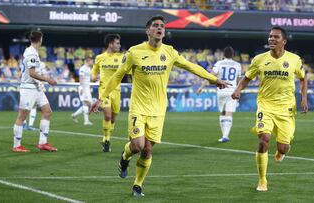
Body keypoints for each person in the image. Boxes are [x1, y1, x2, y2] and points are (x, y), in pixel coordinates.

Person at [91, 15, 230, 197]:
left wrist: (214, 79)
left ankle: (137, 185)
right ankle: (124, 157)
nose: (159, 28)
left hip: (158, 110)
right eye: (155, 25)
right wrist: (101, 98)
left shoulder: (170, 52)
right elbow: (117, 76)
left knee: (148, 150)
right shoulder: (134, 52)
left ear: (164, 31)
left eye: (162, 26)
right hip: (139, 108)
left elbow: (191, 66)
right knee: (138, 145)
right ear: (148, 31)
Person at [232, 26, 308, 192]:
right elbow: (246, 78)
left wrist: (303, 98)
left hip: (286, 108)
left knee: (283, 147)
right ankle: (262, 180)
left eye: (276, 37)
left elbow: (303, 78)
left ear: (284, 41)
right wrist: (238, 90)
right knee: (263, 139)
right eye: (270, 37)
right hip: (265, 105)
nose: (272, 39)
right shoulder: (259, 59)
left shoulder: (294, 59)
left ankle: (281, 153)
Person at [12, 31, 58, 152]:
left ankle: (43, 143)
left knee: (47, 111)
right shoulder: (31, 52)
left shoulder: (33, 51)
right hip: (28, 88)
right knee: (22, 116)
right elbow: (32, 73)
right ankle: (16, 145)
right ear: (40, 39)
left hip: (37, 88)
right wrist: (48, 79)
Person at [197, 46, 242, 143]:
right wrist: (239, 91)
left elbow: (210, 76)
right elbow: (239, 80)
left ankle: (223, 135)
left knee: (222, 113)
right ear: (233, 54)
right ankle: (226, 135)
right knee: (229, 113)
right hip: (232, 91)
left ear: (223, 54)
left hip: (221, 90)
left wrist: (201, 87)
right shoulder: (238, 65)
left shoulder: (219, 63)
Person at [91, 34, 124, 152]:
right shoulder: (100, 57)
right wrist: (93, 76)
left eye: (119, 43)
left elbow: (128, 70)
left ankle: (106, 137)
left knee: (114, 119)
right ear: (110, 44)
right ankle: (106, 140)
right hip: (103, 90)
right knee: (108, 116)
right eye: (117, 43)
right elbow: (94, 70)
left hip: (117, 91)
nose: (119, 46)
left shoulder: (122, 57)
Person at [72, 57, 94, 125]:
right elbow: (81, 79)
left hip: (87, 87)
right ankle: (86, 121)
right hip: (83, 87)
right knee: (86, 103)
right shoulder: (82, 68)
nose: (93, 62)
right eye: (92, 61)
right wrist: (82, 88)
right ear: (88, 61)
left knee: (88, 104)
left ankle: (74, 115)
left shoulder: (89, 68)